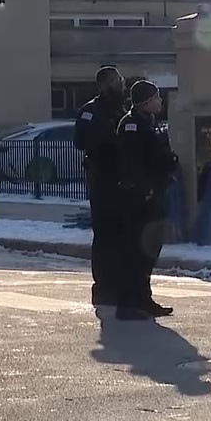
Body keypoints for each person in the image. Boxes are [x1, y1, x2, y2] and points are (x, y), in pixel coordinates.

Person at [114, 80, 180, 321]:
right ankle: (127, 303)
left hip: (154, 192)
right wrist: (145, 188)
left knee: (149, 251)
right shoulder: (132, 125)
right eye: (156, 97)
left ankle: (143, 299)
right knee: (134, 250)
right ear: (146, 101)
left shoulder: (149, 124)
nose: (160, 101)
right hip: (139, 196)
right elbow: (136, 162)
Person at [74, 66, 128, 306]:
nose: (121, 83)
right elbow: (81, 140)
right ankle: (104, 285)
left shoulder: (123, 109)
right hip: (102, 178)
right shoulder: (91, 111)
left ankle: (121, 283)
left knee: (122, 234)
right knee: (105, 234)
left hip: (123, 179)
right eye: (116, 80)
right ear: (105, 84)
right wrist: (109, 137)